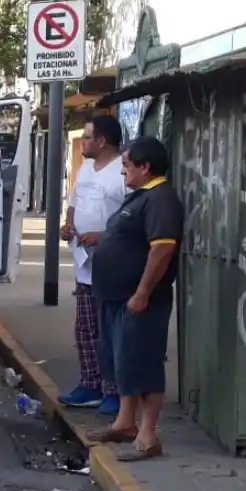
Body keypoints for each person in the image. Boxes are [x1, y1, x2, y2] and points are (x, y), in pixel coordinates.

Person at [86, 136, 183, 462]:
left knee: (143, 363)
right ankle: (125, 423)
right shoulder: (140, 197)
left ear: (145, 167)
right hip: (116, 297)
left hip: (139, 299)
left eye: (127, 165)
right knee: (122, 361)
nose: (122, 171)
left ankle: (147, 436)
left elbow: (162, 249)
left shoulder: (161, 199)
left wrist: (142, 293)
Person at [58, 115, 127, 416]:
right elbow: (74, 203)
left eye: (87, 137)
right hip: (84, 263)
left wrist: (102, 235)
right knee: (85, 328)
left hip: (112, 265)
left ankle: (114, 391)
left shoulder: (123, 170)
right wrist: (68, 224)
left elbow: (131, 217)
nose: (82, 142)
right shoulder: (86, 167)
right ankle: (90, 384)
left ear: (102, 141)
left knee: (108, 331)